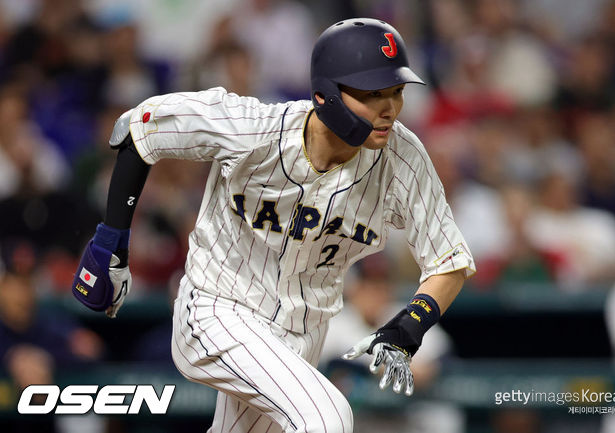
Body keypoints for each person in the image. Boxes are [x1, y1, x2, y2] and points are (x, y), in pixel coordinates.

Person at [71, 18, 475, 433]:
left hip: (301, 335)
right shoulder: (254, 129)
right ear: (326, 94)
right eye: (373, 94)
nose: (389, 108)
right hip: (216, 309)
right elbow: (140, 129)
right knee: (326, 417)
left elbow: (449, 259)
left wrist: (410, 325)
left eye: (396, 92)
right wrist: (111, 239)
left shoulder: (402, 158)